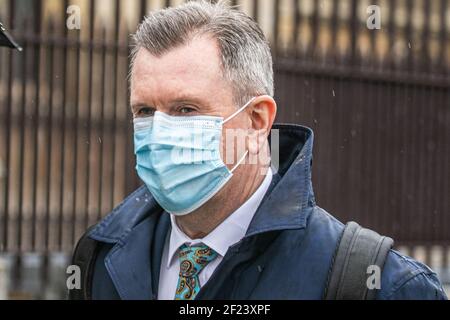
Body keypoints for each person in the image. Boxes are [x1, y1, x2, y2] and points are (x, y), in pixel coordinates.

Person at [70, 0, 447, 300]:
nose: (160, 131)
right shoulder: (100, 259)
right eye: (145, 111)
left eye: (186, 109)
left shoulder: (377, 284)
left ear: (257, 120)